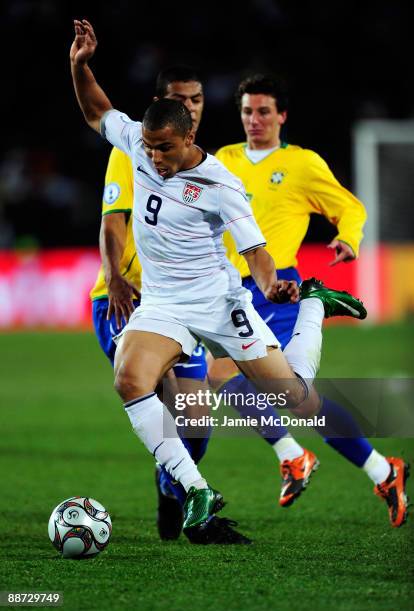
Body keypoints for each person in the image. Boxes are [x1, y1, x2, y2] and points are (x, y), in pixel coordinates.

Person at [70, 19, 377, 543]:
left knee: (294, 398)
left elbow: (256, 252)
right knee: (129, 378)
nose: (155, 157)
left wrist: (276, 283)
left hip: (218, 301)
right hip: (164, 304)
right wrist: (79, 65)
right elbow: (98, 109)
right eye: (149, 147)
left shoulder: (220, 184)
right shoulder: (140, 146)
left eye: (165, 148)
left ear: (188, 136)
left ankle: (314, 308)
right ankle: (196, 491)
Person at [208, 73, 409, 527]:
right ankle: (378, 469)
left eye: (263, 111)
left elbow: (350, 206)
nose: (254, 120)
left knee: (281, 392)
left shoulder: (301, 164)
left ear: (281, 115)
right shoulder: (223, 160)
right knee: (242, 384)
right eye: (246, 111)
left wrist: (348, 237)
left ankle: (306, 457)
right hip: (226, 296)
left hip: (278, 292)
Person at [89, 65, 231, 542]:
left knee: (195, 420)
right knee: (158, 387)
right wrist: (115, 279)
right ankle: (195, 502)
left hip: (182, 308)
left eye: (195, 99)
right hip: (127, 301)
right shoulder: (134, 152)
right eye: (178, 98)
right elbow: (113, 221)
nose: (188, 105)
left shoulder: (208, 172)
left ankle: (170, 488)